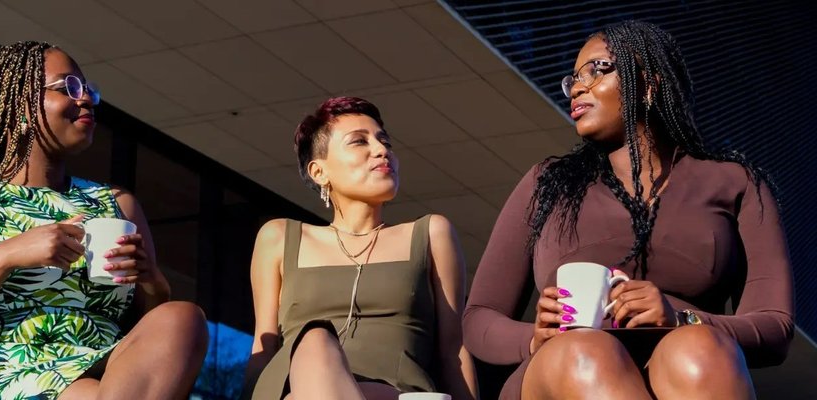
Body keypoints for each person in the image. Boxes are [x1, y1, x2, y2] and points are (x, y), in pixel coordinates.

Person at [462, 20, 793, 400]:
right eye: (573, 79)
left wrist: (681, 319)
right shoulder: (547, 183)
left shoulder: (736, 183)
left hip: (691, 370)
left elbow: (775, 326)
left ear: (649, 85)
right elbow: (479, 318)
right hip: (563, 368)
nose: (578, 87)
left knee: (697, 347)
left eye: (597, 69)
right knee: (585, 351)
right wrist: (534, 338)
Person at [0, 41, 208, 399]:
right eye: (68, 87)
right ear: (19, 104)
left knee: (183, 318)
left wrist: (152, 283)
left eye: (88, 90)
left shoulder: (118, 204)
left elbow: (151, 349)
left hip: (106, 375)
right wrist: (4, 258)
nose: (86, 99)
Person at [243, 97, 479, 400]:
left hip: (395, 393)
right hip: (298, 390)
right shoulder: (279, 237)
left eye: (385, 142)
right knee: (315, 341)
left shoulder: (431, 234)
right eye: (358, 142)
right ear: (319, 172)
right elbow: (263, 347)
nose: (382, 151)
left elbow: (453, 349)